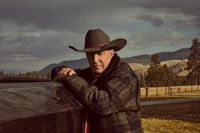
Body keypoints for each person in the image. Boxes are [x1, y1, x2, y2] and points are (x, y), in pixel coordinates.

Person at [51, 28, 143, 133]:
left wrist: (70, 78)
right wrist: (61, 71)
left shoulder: (125, 75)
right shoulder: (94, 73)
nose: (95, 60)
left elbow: (102, 103)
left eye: (100, 54)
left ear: (111, 53)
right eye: (90, 55)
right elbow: (62, 72)